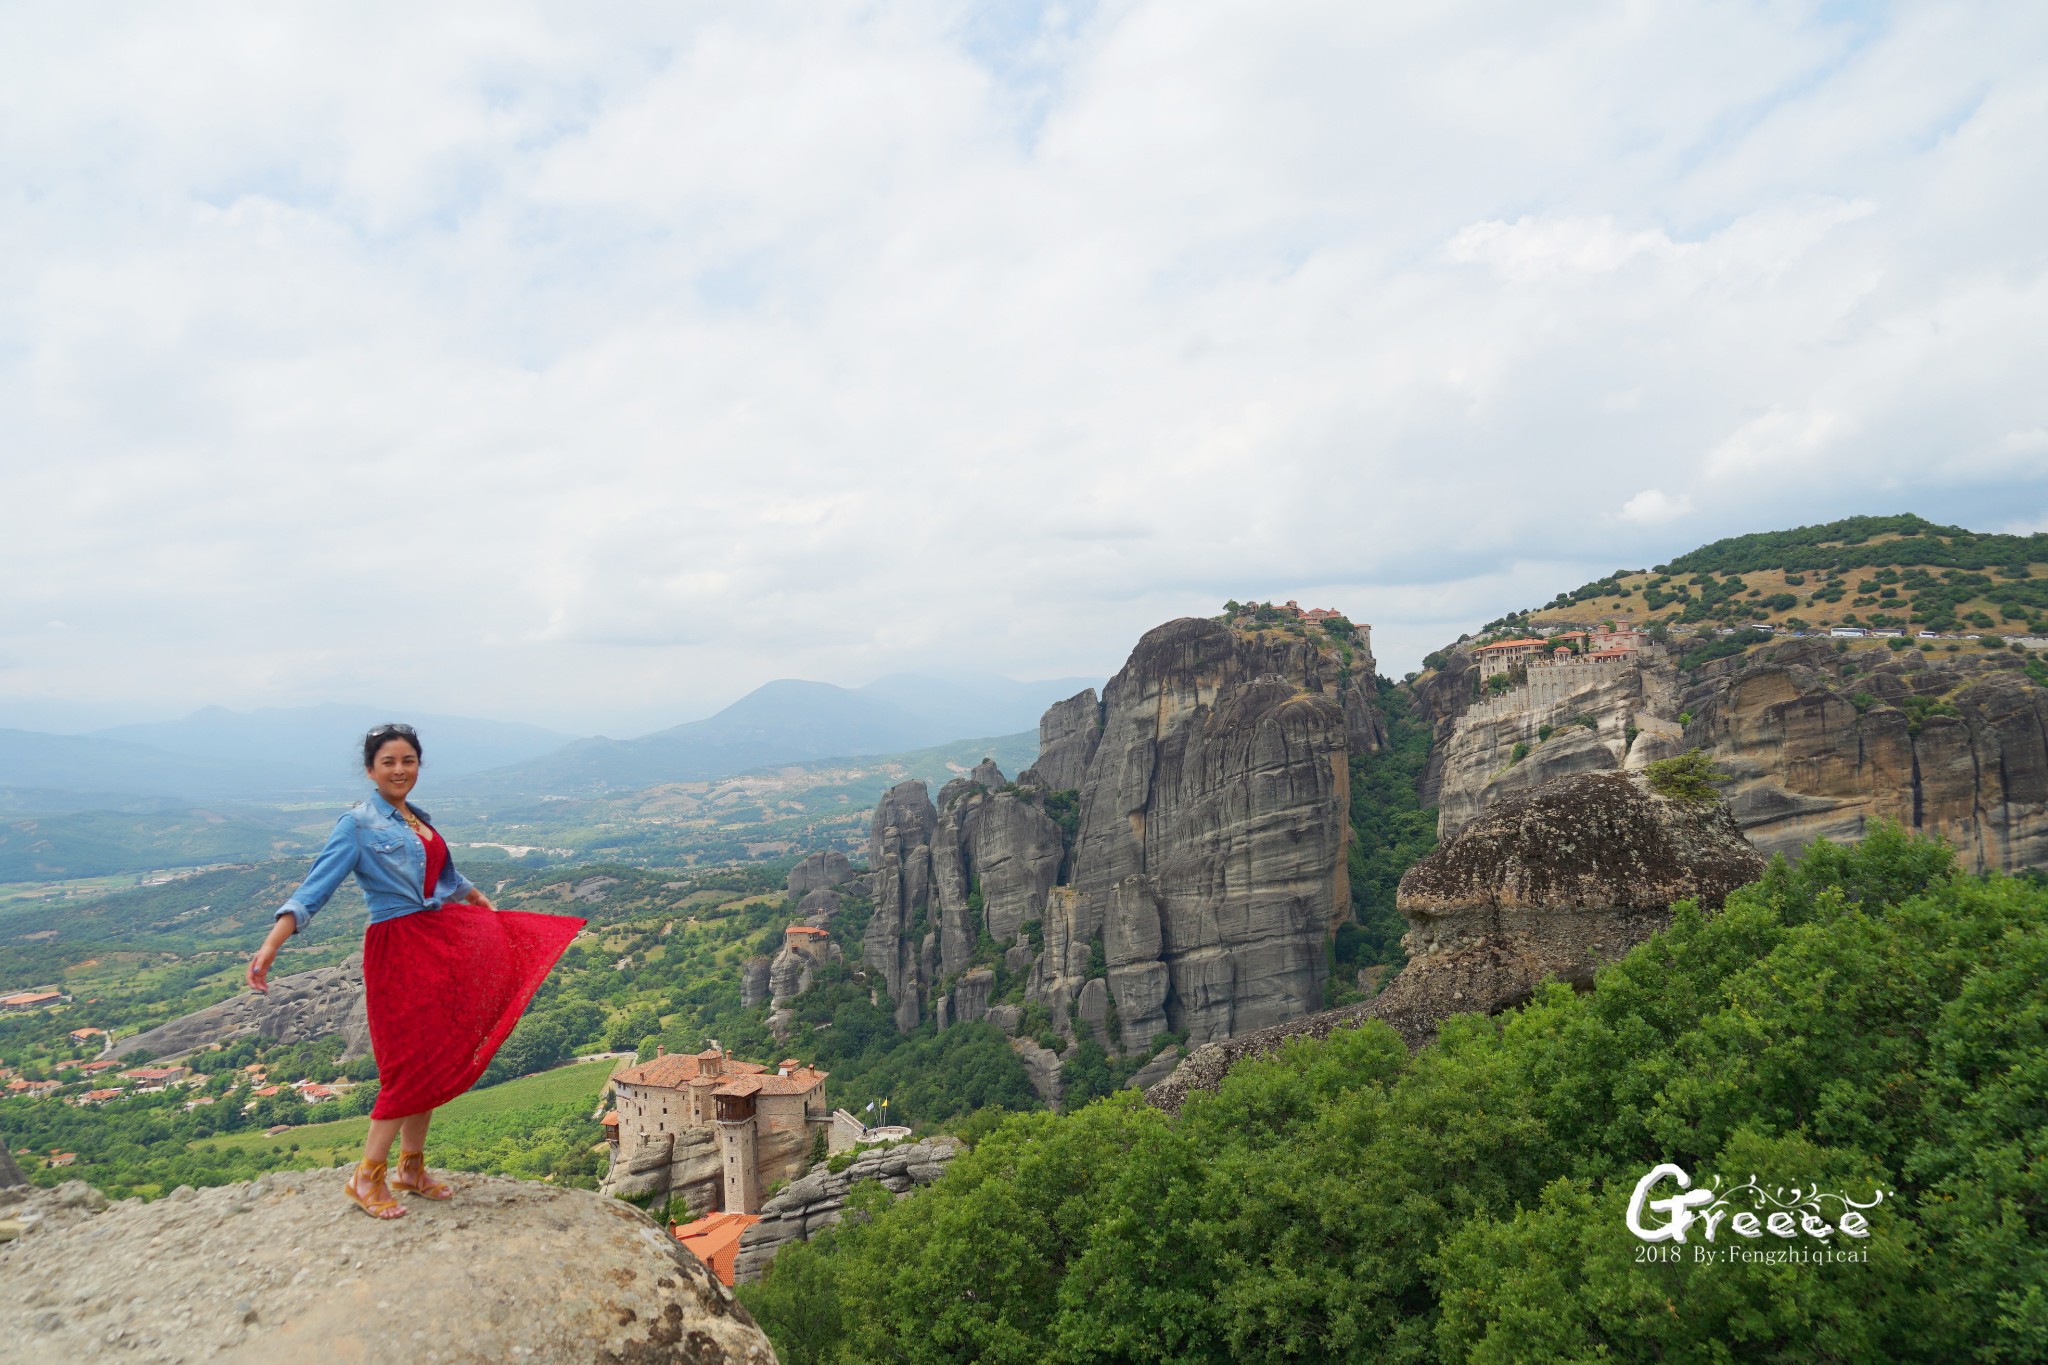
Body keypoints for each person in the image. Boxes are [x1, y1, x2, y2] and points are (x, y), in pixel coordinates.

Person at [247, 723, 584, 1219]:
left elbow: (439, 873)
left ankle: (410, 1168)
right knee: (407, 1064)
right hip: (399, 948)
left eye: (408, 761)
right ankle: (367, 1176)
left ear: (418, 765)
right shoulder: (357, 824)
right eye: (389, 762)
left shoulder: (416, 819)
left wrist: (468, 893)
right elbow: (314, 888)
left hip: (438, 942)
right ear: (370, 770)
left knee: (434, 1055)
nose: (400, 769)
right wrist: (272, 943)